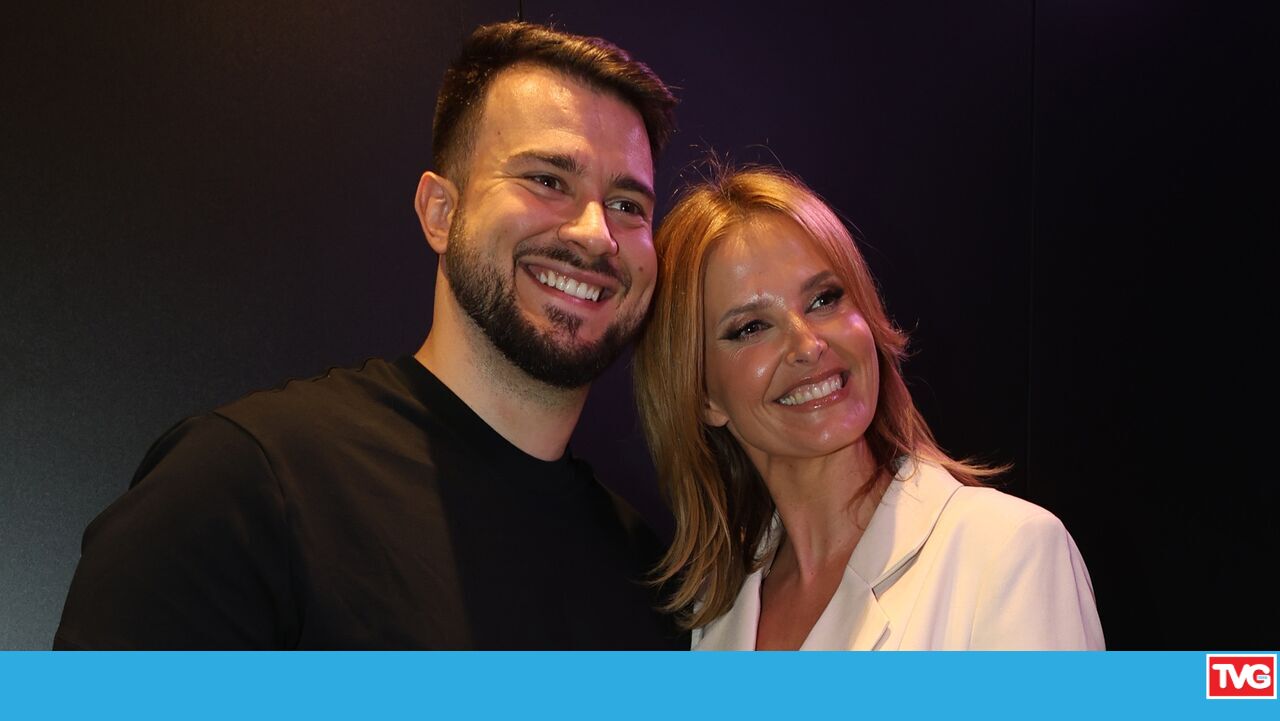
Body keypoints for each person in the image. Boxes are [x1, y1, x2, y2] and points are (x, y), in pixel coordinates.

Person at [54, 21, 685, 650]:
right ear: (440, 213)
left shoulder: (648, 580)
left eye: (628, 205)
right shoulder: (245, 486)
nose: (596, 235)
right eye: (548, 180)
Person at [634, 165, 1104, 650]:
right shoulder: (715, 612)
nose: (808, 344)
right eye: (752, 327)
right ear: (704, 396)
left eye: (824, 299)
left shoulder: (1009, 550)